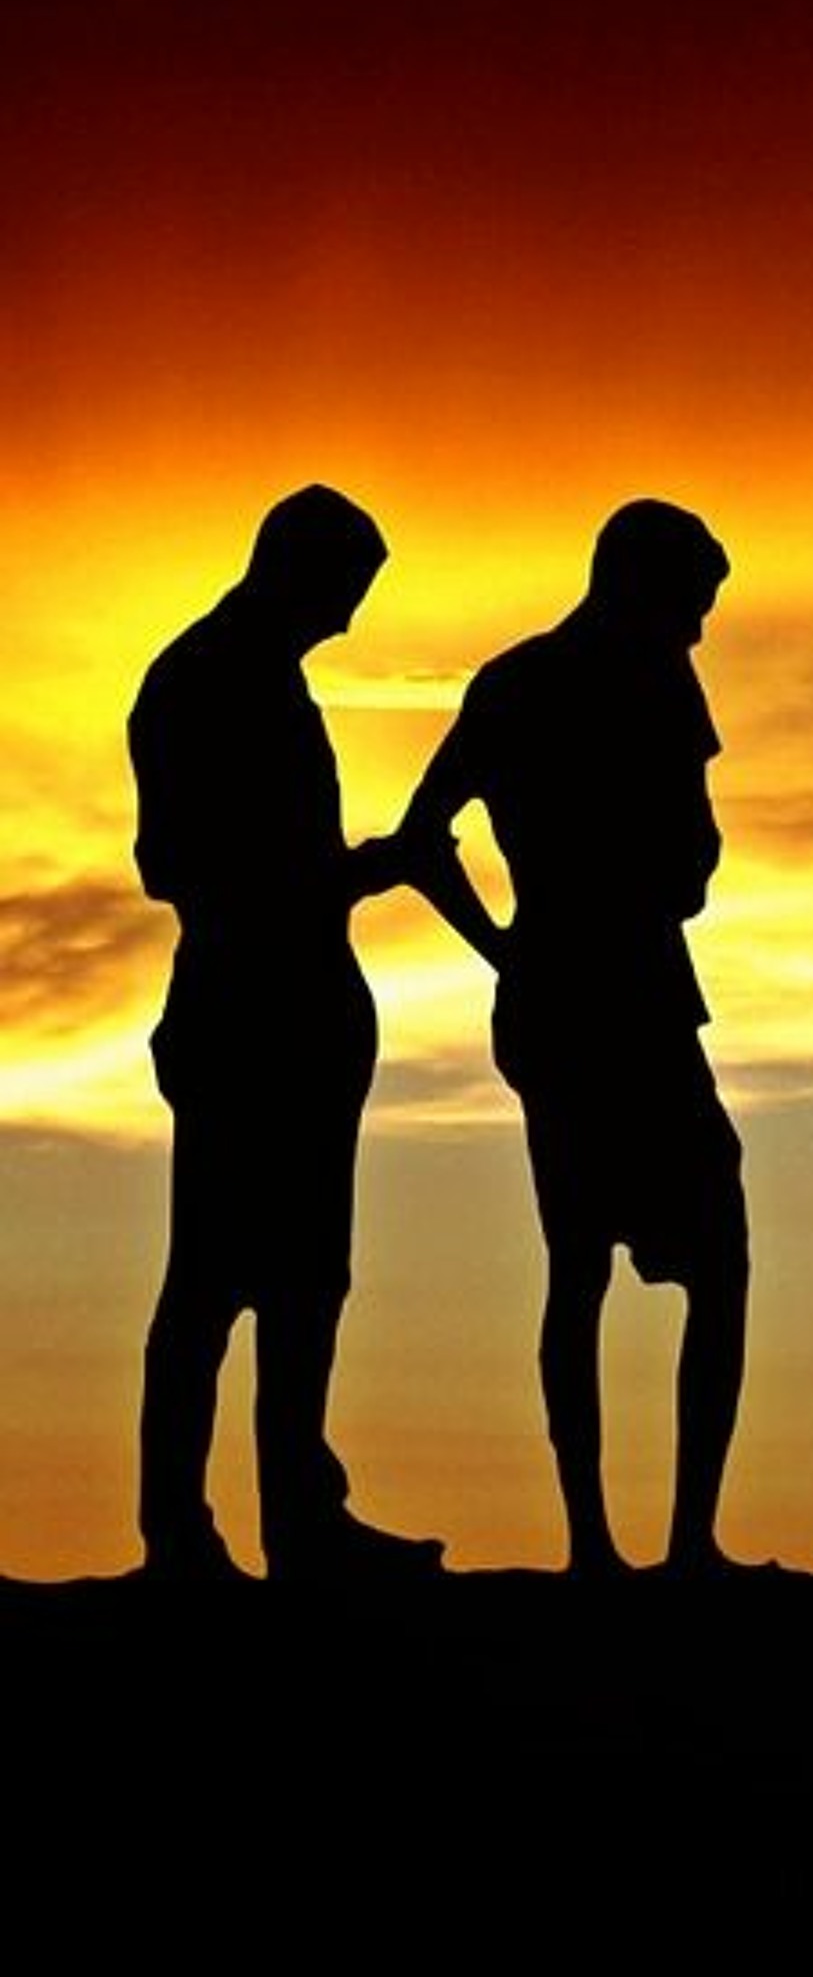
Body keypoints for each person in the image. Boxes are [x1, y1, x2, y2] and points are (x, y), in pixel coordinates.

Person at [397, 500, 753, 1579]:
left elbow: (423, 840)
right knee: (670, 1257)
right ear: (643, 585)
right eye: (692, 605)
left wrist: (507, 951)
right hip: (614, 996)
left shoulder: (520, 683)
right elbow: (424, 841)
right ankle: (647, 1544)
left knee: (591, 1264)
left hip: (573, 991)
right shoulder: (624, 681)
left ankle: (633, 1542)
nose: (699, 629)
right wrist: (505, 949)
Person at [129, 483, 446, 1586]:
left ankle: (299, 1520)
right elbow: (176, 864)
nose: (352, 617)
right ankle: (181, 1532)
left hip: (299, 1014)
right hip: (244, 1015)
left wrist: (348, 874)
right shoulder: (204, 681)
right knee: (212, 1280)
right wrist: (359, 872)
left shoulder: (254, 678)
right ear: (299, 571)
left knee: (307, 1279)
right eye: (346, 589)